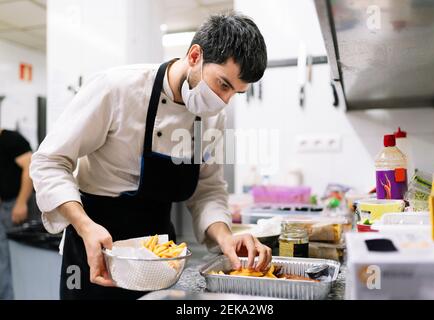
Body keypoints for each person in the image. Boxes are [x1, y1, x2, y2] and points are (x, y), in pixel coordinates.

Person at [30, 12, 270, 300]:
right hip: (94, 244)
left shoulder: (213, 118)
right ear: (195, 56)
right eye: (223, 84)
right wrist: (84, 226)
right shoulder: (117, 89)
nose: (224, 101)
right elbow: (50, 161)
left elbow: (208, 190)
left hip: (159, 258)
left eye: (236, 93)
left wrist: (225, 237)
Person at [0, 128, 33, 300]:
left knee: (9, 258)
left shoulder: (11, 139)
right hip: (4, 206)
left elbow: (30, 168)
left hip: (14, 205)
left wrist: (21, 203)